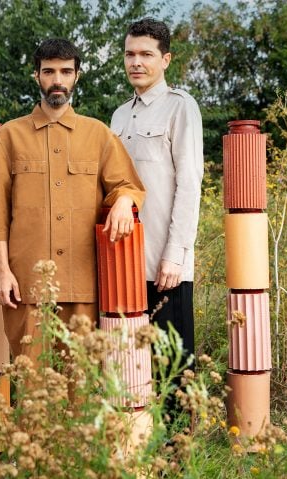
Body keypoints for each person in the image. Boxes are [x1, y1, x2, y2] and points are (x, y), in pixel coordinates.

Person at [0, 38, 145, 362]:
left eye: (65, 71)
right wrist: (2, 271)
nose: (57, 80)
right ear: (37, 76)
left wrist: (123, 200)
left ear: (76, 76)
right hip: (27, 285)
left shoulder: (99, 134)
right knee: (34, 387)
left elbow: (127, 185)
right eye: (49, 71)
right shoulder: (9, 135)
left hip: (85, 287)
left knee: (82, 387)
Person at [111, 19, 204, 378]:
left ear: (165, 59)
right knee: (130, 365)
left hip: (165, 265)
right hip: (125, 261)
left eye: (146, 54)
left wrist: (175, 254)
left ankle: (179, 436)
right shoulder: (119, 115)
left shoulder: (181, 107)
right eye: (130, 54)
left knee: (173, 366)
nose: (136, 62)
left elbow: (190, 182)